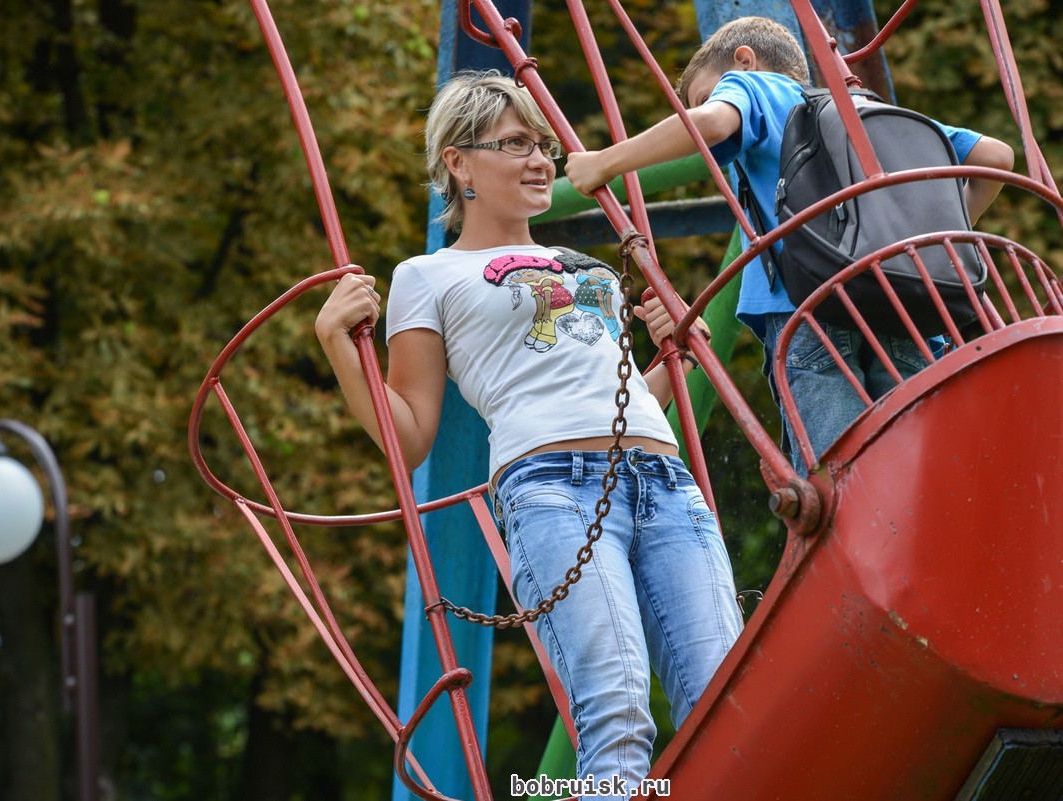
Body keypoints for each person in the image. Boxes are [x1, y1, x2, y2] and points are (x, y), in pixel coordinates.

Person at [314, 71, 742, 799]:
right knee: (616, 713)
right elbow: (408, 436)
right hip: (554, 491)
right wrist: (336, 343)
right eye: (516, 144)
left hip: (664, 481)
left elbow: (625, 403)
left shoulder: (594, 269)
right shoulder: (429, 276)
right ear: (458, 161)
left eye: (543, 144)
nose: (542, 160)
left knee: (728, 704)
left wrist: (674, 353)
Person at [565, 16, 1015, 476]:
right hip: (904, 304)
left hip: (807, 306)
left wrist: (604, 163)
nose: (705, 106)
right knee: (915, 472)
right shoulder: (866, 109)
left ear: (744, 60)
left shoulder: (760, 87)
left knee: (838, 479)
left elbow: (714, 125)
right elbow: (996, 156)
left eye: (704, 94)